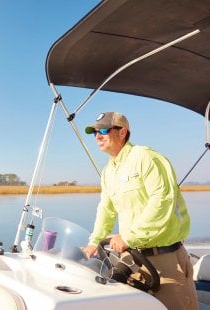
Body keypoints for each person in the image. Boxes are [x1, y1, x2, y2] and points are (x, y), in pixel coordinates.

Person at [82, 112, 198, 310]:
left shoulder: (147, 158)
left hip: (165, 259)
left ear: (122, 132)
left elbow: (162, 201)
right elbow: (106, 210)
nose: (98, 136)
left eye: (103, 130)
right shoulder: (109, 171)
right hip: (132, 257)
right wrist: (94, 242)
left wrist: (128, 237)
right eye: (94, 132)